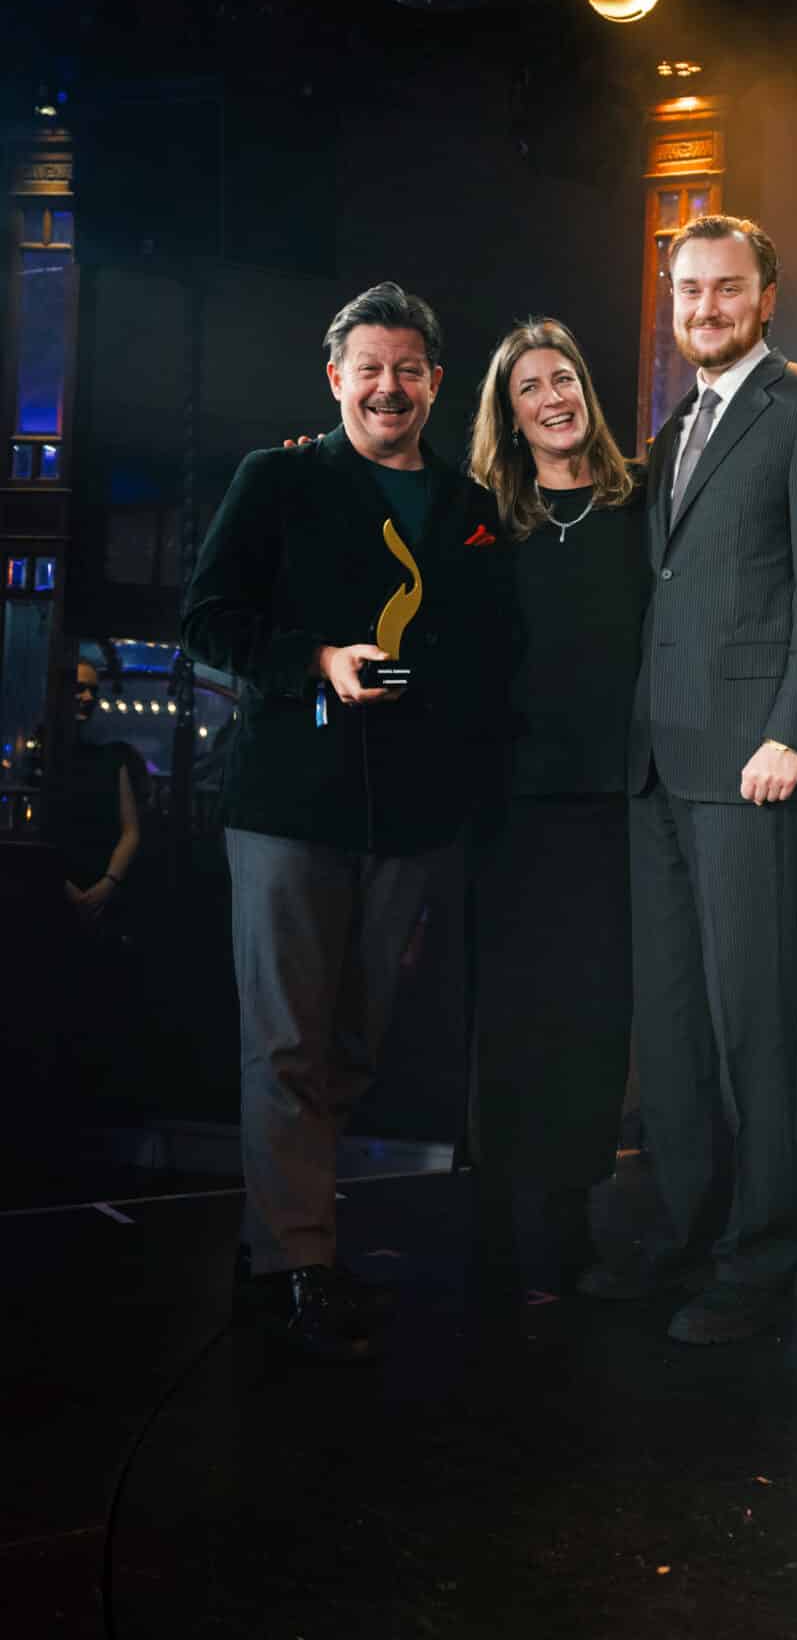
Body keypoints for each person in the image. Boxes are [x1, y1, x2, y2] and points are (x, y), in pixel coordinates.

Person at [183, 281, 505, 1362]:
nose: (387, 386)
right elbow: (208, 619)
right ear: (335, 377)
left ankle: (274, 1246)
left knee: (354, 1043)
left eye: (407, 369)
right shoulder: (276, 477)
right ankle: (298, 1264)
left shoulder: (467, 504)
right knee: (287, 1039)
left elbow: (485, 655)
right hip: (288, 803)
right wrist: (318, 660)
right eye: (369, 368)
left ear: (436, 383)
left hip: (412, 817)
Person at [581, 213, 797, 1345]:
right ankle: (686, 1232)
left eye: (726, 287)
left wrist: (794, 732)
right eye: (688, 289)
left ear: (767, 297)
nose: (704, 306)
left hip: (753, 764)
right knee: (669, 1024)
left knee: (750, 1018)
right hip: (658, 763)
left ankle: (762, 1257)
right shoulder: (673, 428)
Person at [465, 317, 650, 1300]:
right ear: (509, 413)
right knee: (515, 1017)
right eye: (530, 386)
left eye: (564, 377)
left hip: (615, 805)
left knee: (596, 1017)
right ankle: (499, 1221)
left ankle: (573, 1221)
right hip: (509, 809)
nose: (552, 397)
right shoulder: (483, 517)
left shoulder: (641, 502)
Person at [62, 658, 142, 934]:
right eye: (80, 688)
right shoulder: (45, 756)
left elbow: (131, 832)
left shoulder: (111, 758)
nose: (88, 697)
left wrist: (108, 884)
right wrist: (61, 883)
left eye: (93, 691)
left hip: (101, 886)